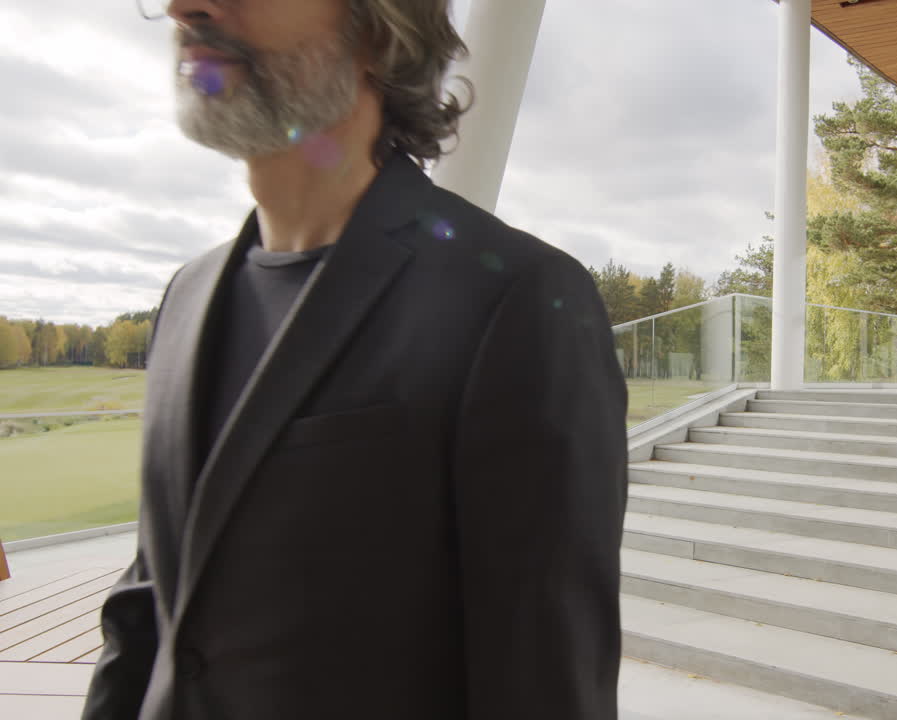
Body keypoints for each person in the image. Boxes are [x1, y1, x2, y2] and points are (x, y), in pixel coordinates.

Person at [81, 1, 629, 718]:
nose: (188, 6)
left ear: (377, 31)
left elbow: (545, 684)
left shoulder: (515, 302)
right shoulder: (185, 298)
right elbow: (151, 601)